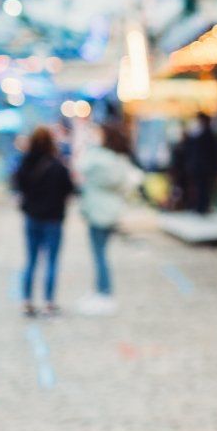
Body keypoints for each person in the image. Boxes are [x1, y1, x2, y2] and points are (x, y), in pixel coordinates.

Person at [75, 121, 142, 315]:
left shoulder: (100, 158)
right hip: (109, 211)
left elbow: (81, 166)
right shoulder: (117, 159)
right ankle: (100, 291)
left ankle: (104, 292)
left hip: (99, 213)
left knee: (99, 255)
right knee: (100, 254)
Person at [13, 126, 74, 317]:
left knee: (31, 260)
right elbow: (69, 189)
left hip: (32, 217)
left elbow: (17, 185)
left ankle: (27, 301)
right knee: (51, 261)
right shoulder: (58, 165)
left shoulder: (25, 163)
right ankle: (49, 302)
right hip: (53, 219)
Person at [181, 113, 217, 215]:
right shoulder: (196, 135)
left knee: (204, 188)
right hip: (198, 167)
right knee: (199, 187)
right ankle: (199, 206)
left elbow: (214, 153)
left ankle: (202, 206)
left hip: (204, 167)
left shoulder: (207, 135)